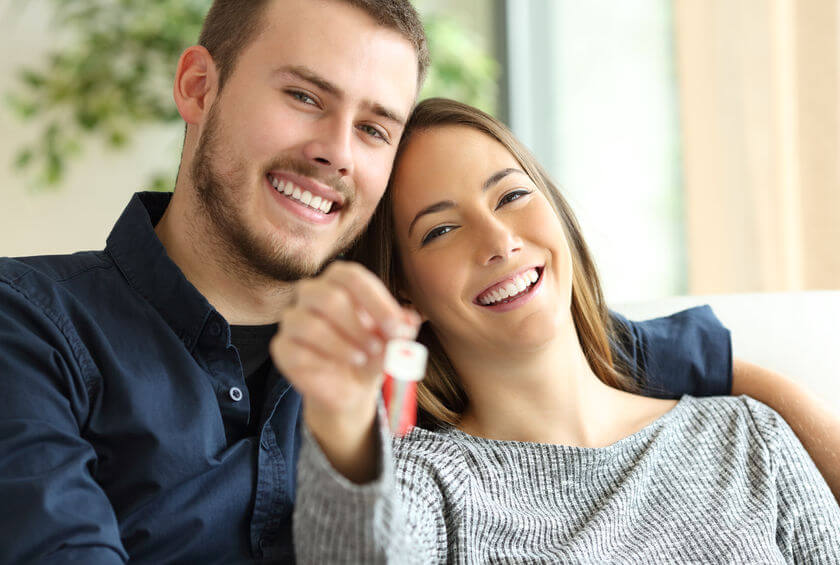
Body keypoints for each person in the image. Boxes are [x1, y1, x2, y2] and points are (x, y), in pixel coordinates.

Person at [0, 0, 833, 563]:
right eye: (303, 96)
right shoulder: (31, 323)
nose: (335, 149)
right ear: (198, 87)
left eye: (374, 126)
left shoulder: (399, 340)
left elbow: (579, 342)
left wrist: (766, 396)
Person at [280, 98, 840, 563]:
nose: (498, 240)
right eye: (442, 229)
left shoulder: (749, 438)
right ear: (404, 291)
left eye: (512, 196)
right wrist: (343, 421)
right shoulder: (420, 486)